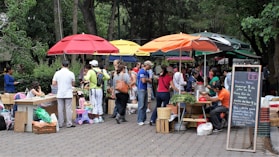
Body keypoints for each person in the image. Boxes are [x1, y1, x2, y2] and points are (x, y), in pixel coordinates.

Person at [52, 60, 76, 128]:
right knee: (68, 109)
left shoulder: (57, 73)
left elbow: (53, 83)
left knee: (60, 109)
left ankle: (60, 123)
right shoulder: (71, 73)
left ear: (61, 65)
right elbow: (73, 83)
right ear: (68, 65)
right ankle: (69, 123)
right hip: (68, 93)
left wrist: (58, 84)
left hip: (60, 93)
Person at [137, 60, 153, 126]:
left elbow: (150, 81)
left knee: (145, 105)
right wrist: (148, 79)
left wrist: (147, 80)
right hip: (141, 89)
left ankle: (143, 119)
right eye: (150, 66)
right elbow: (143, 81)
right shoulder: (142, 71)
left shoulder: (147, 72)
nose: (151, 67)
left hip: (145, 89)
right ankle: (139, 120)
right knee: (141, 105)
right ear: (147, 65)